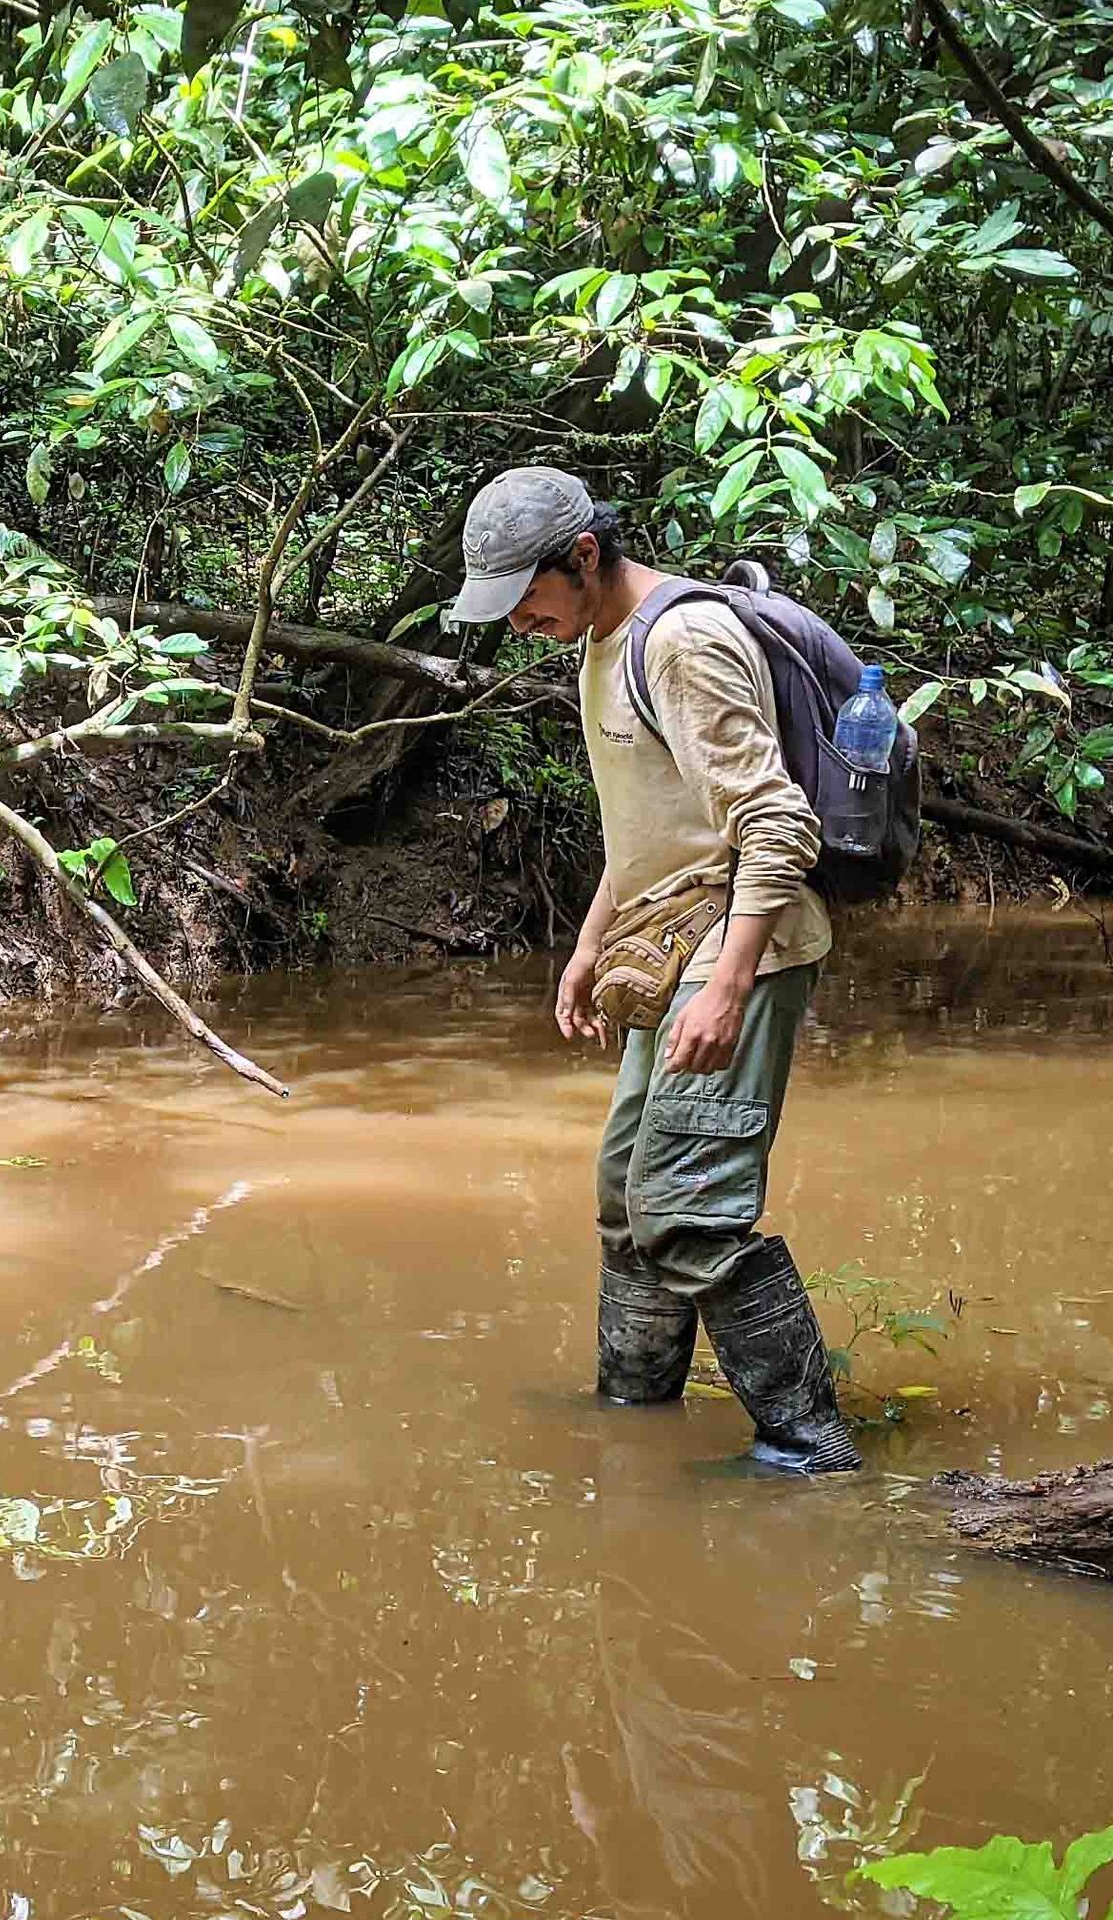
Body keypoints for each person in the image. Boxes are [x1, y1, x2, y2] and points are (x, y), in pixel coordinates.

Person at [450, 466, 859, 1475]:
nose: (517, 624)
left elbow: (775, 824)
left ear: (583, 556)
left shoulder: (683, 642)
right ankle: (633, 1412)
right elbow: (645, 832)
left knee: (689, 1205)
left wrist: (729, 987)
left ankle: (810, 1452)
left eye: (526, 598)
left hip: (737, 943)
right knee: (627, 1199)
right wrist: (590, 947)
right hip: (667, 935)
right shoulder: (601, 644)